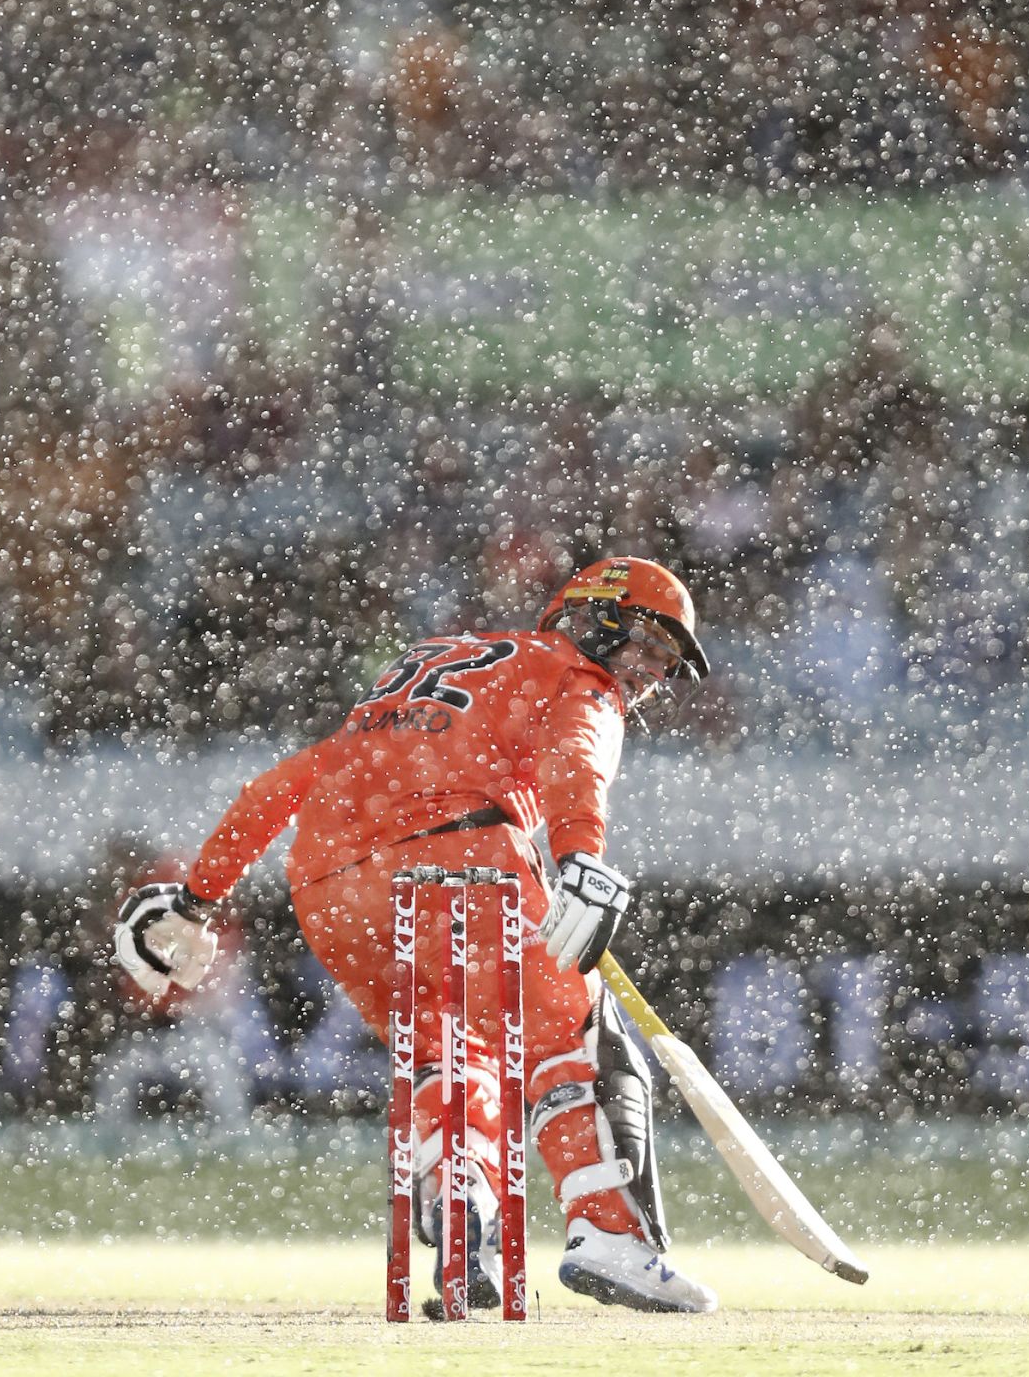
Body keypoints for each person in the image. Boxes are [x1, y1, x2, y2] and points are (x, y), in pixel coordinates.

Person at [114, 556, 718, 1314]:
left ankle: (471, 1234)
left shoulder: (424, 664)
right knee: (580, 1037)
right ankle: (613, 1239)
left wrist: (197, 899)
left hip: (329, 890)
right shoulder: (573, 673)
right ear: (598, 617)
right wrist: (580, 860)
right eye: (651, 650)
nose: (652, 676)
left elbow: (288, 783)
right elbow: (578, 757)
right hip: (460, 854)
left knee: (448, 1051)